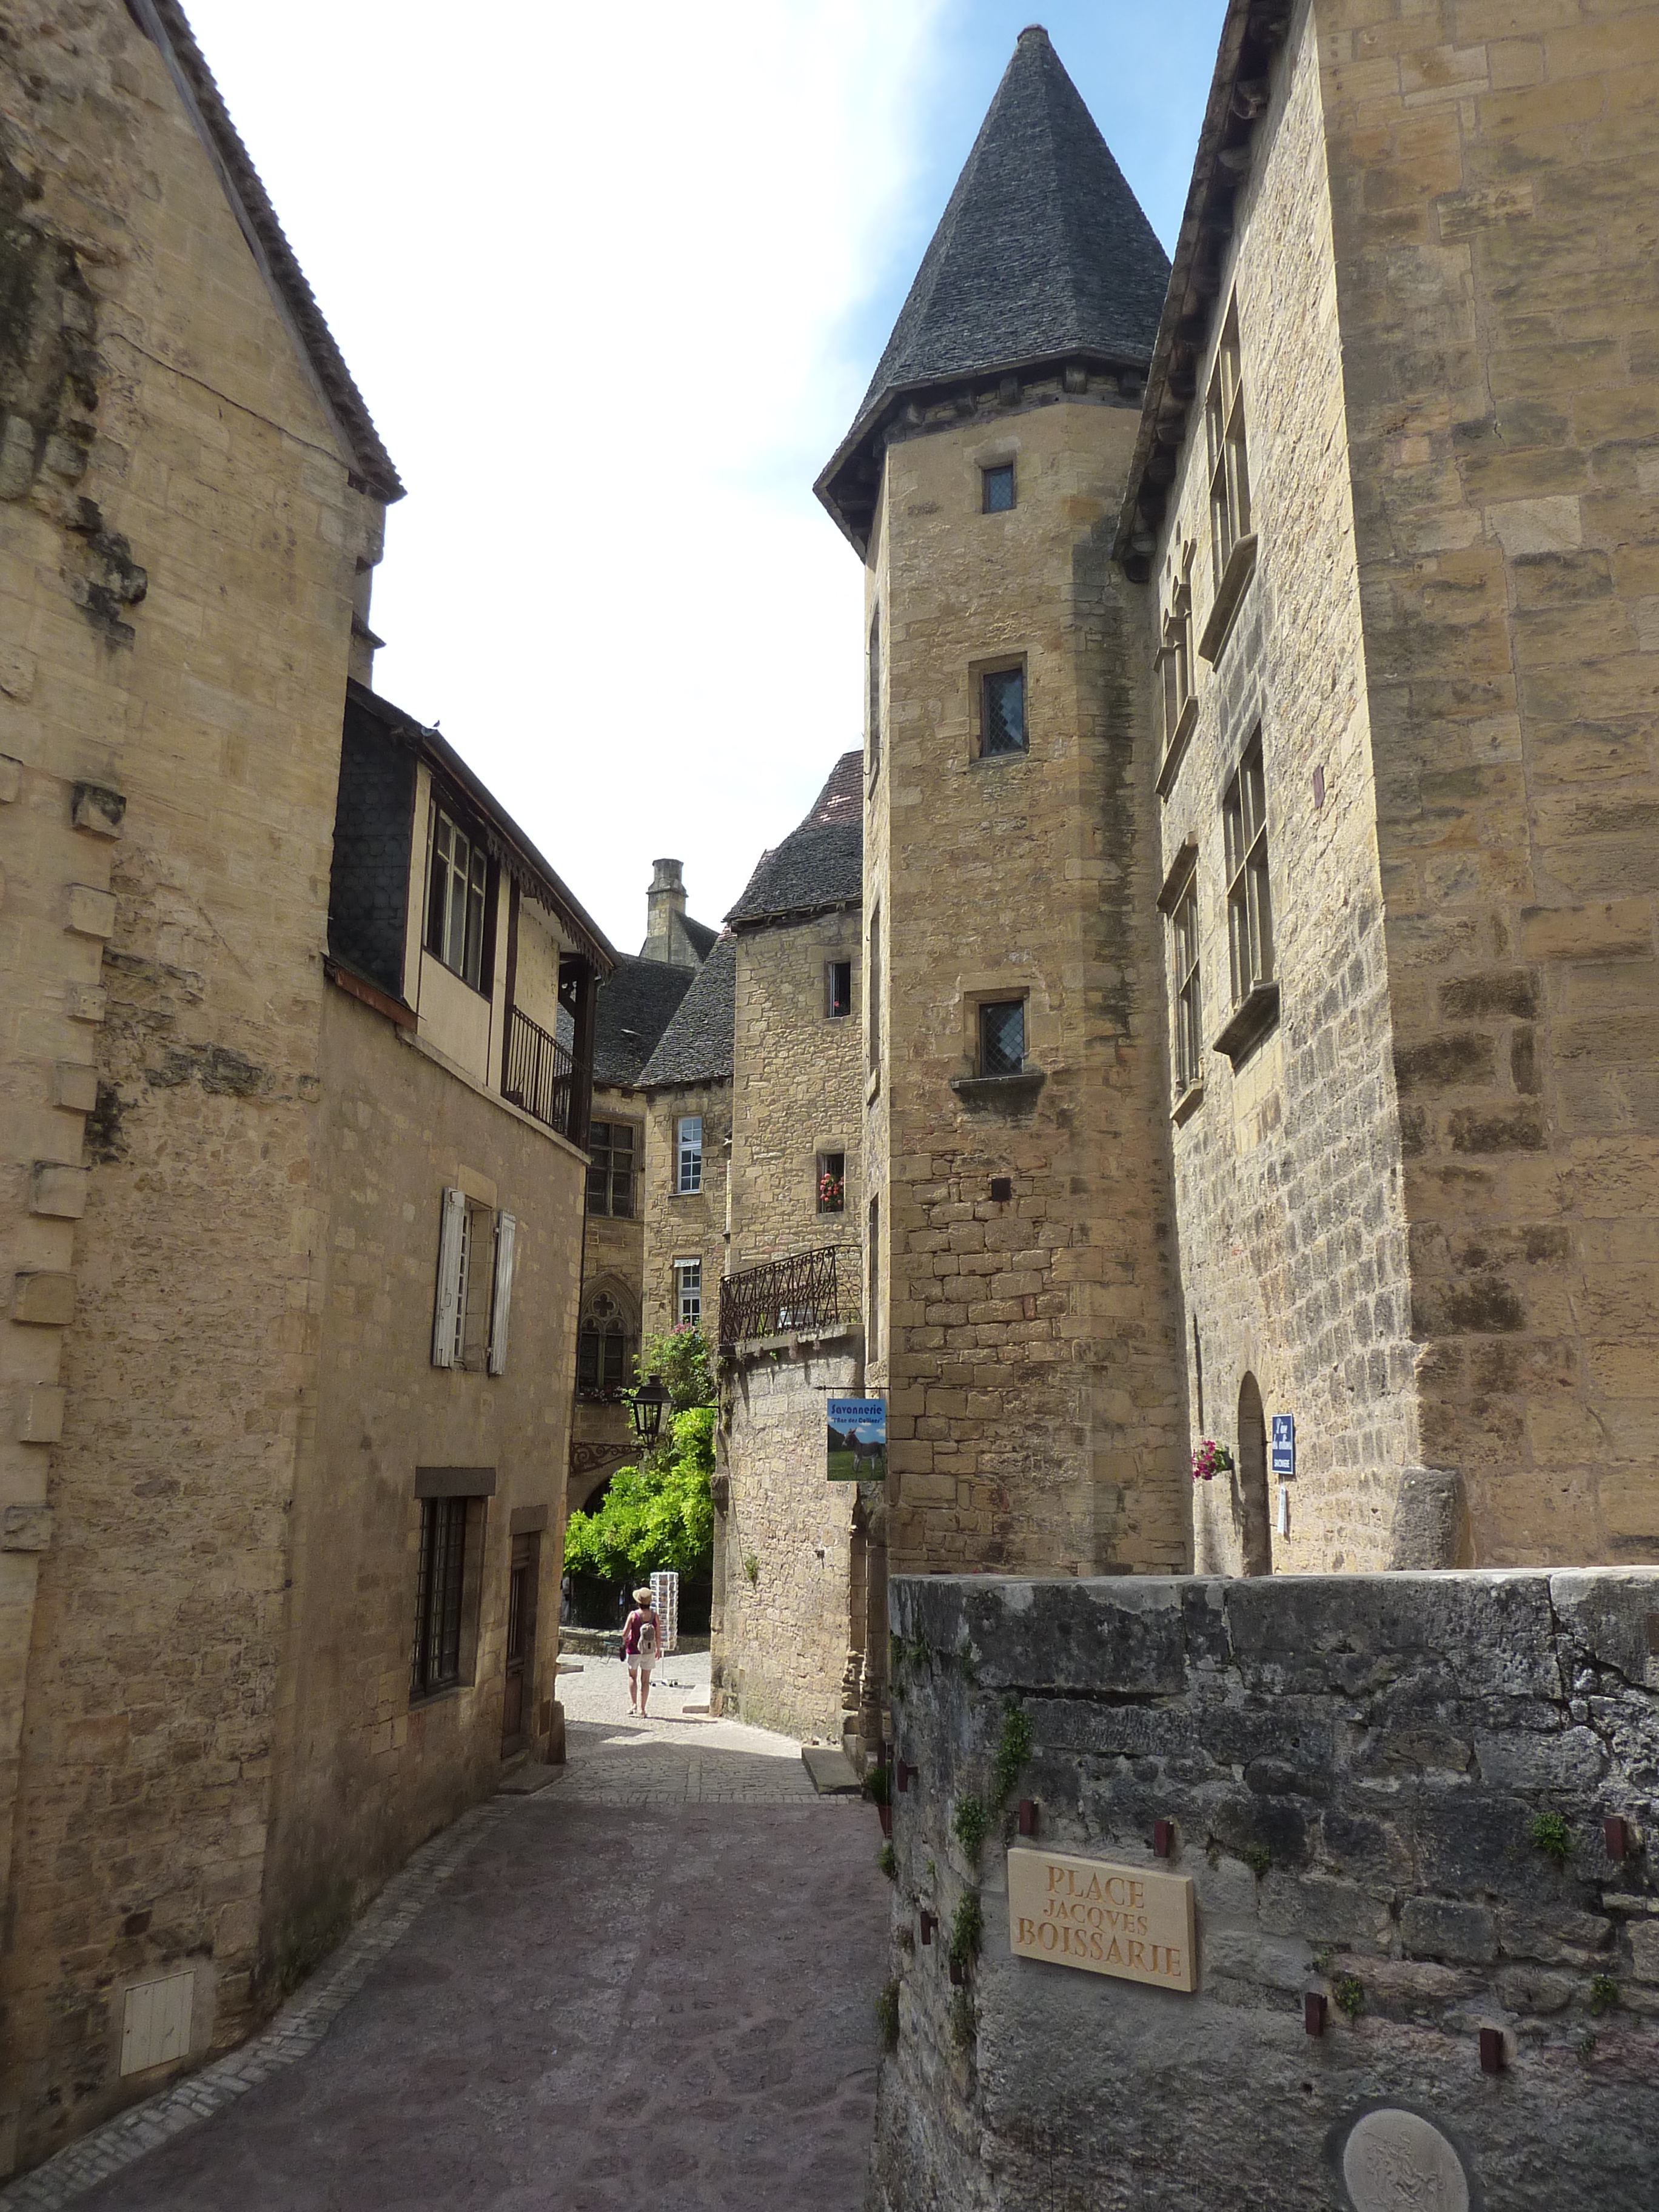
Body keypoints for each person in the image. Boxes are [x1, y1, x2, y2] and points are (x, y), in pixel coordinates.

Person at [621, 1586, 660, 1716]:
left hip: (634, 1650)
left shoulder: (633, 1615)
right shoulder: (655, 1616)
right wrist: (658, 1649)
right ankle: (643, 1710)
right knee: (646, 1680)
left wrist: (624, 1643)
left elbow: (625, 1633)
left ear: (639, 1602)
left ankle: (634, 1705)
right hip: (648, 1651)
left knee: (632, 1676)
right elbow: (658, 1635)